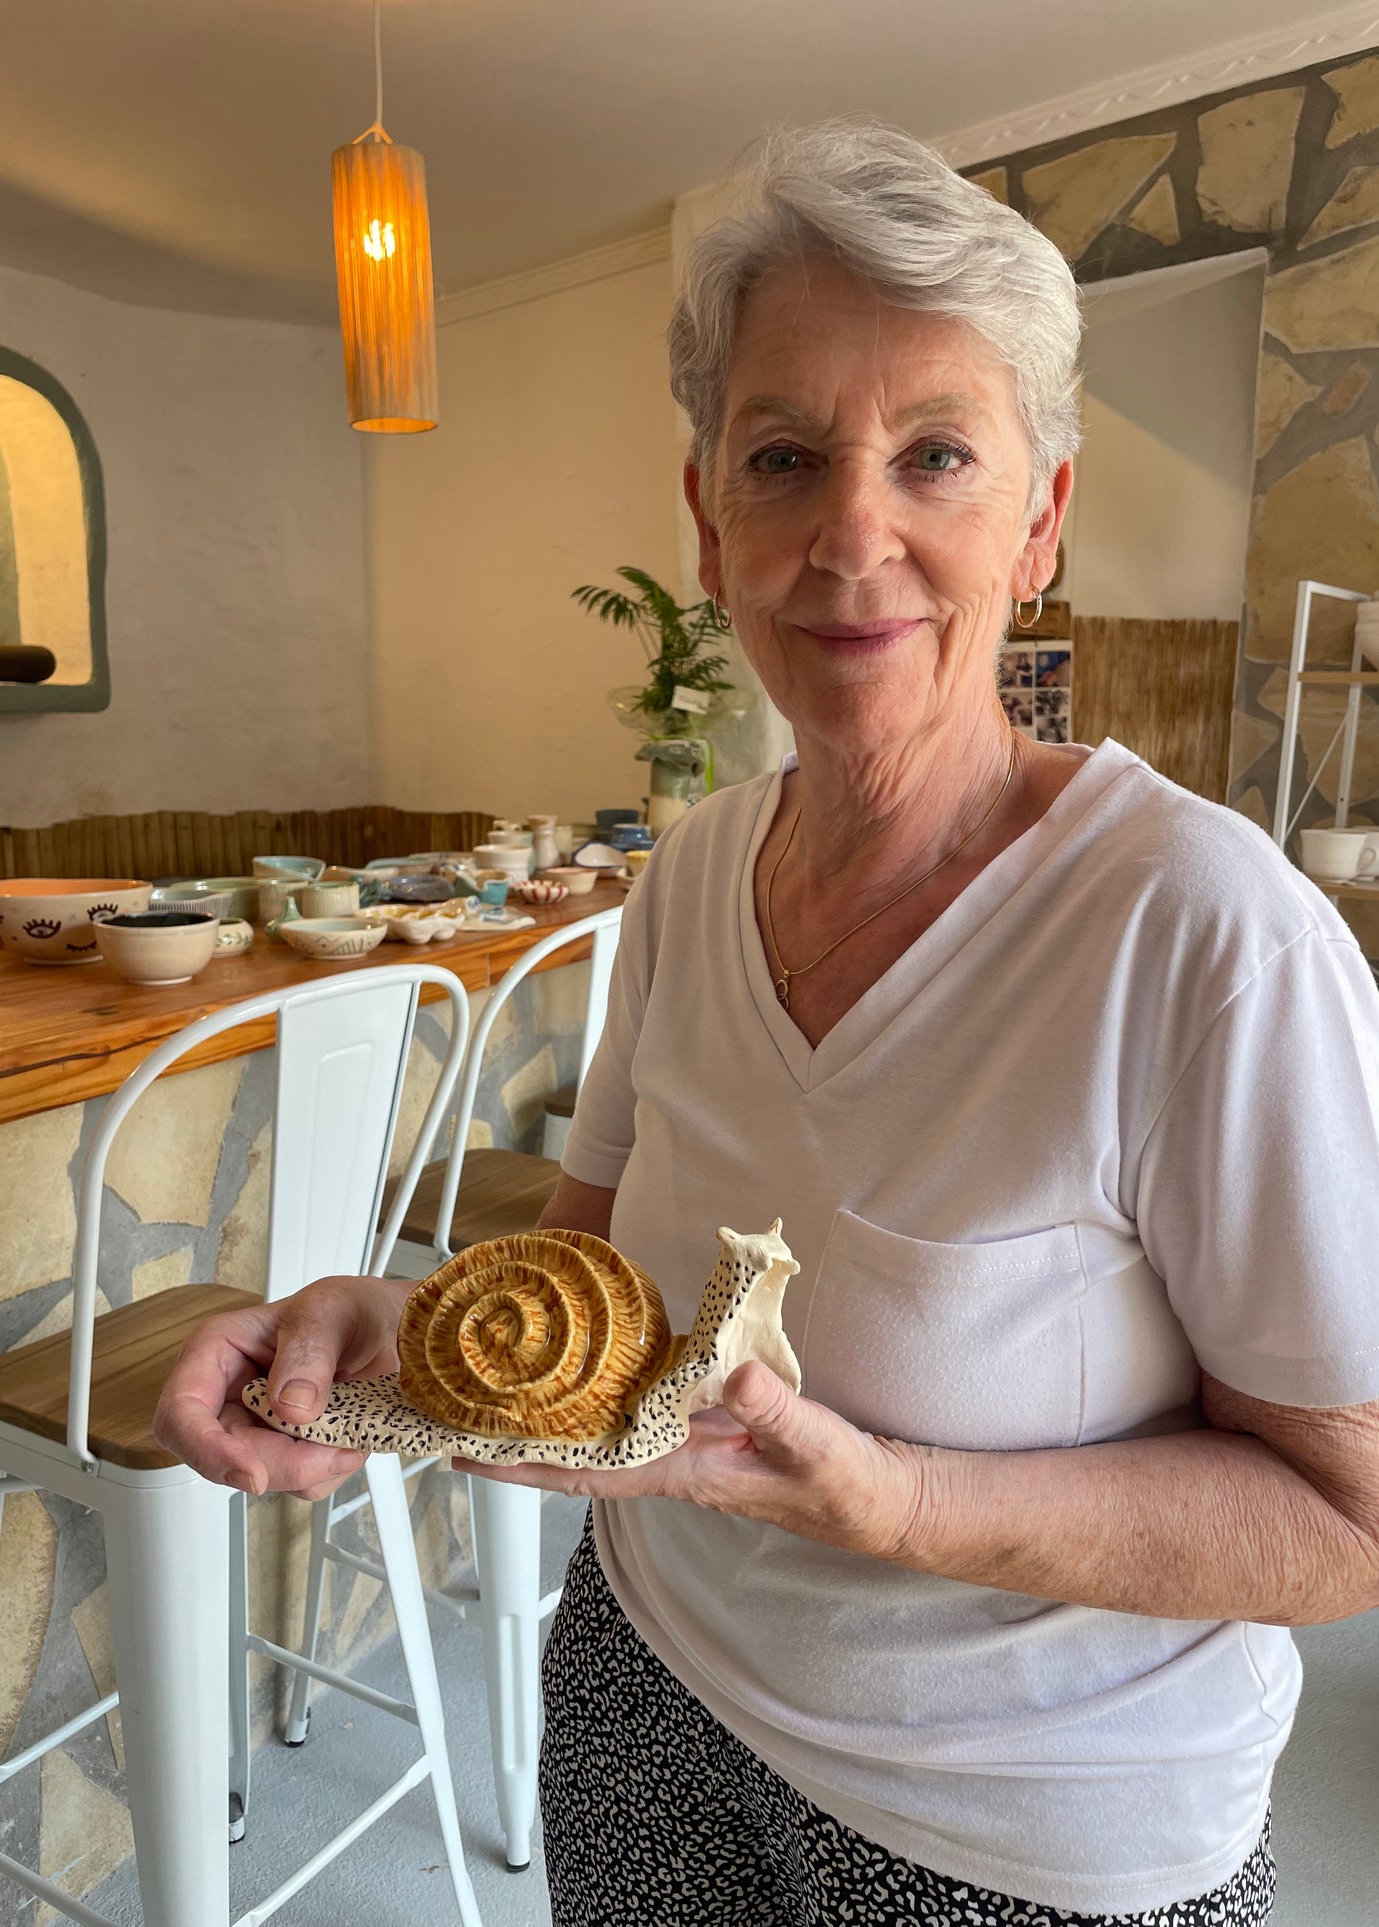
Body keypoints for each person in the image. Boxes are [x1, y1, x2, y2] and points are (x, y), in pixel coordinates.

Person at [155, 121, 1379, 1927]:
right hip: (649, 1697)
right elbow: (607, 1318)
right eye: (785, 458)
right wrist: (384, 1331)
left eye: (936, 456)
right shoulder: (690, 874)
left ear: (1038, 517)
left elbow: (1341, 1521)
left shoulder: (1206, 936)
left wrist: (896, 1505)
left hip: (1024, 1841)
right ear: (707, 519)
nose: (850, 534)